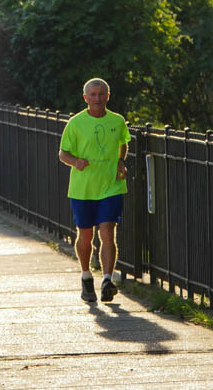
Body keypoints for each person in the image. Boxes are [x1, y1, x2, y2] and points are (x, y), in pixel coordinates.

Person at [58, 78, 130, 303]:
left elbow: (123, 143)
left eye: (102, 94)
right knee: (86, 235)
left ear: (108, 96)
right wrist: (75, 161)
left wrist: (120, 161)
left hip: (111, 186)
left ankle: (107, 280)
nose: (98, 98)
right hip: (83, 189)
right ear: (85, 98)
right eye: (93, 95)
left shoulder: (117, 121)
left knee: (108, 231)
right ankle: (86, 276)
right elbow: (62, 153)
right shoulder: (75, 123)